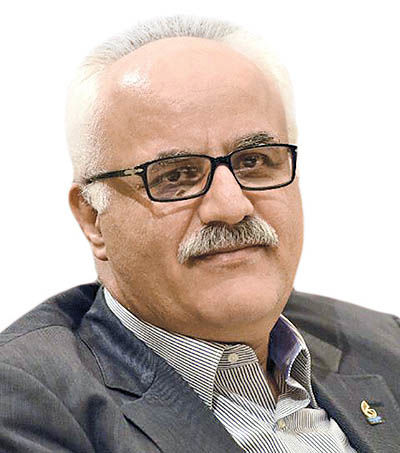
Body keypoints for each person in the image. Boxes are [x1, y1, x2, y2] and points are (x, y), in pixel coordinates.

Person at [0, 15, 399, 453]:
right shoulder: (25, 405)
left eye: (254, 161)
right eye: (175, 175)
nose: (231, 206)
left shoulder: (386, 343)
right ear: (93, 218)